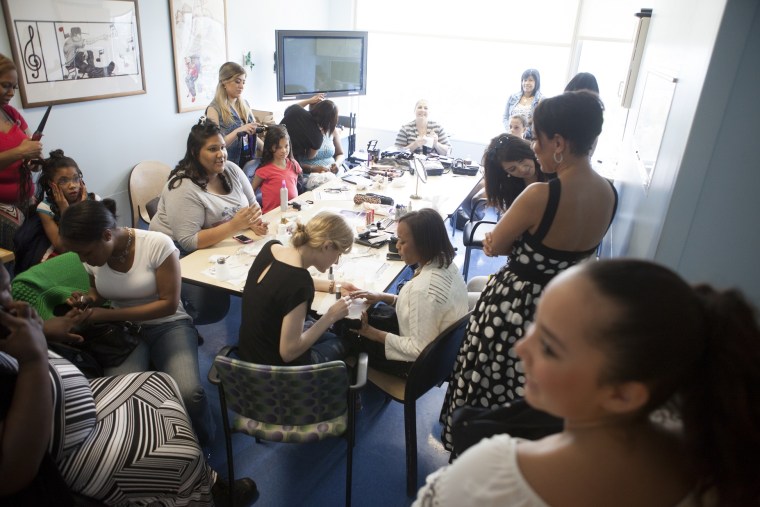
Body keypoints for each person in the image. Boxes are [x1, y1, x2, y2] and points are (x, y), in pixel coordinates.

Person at [416, 259, 760, 507]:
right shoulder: (717, 463)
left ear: (623, 394)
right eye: (535, 324)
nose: (522, 346)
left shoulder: (488, 477)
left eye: (549, 346)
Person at [440, 90, 619, 451]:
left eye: (536, 139)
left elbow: (498, 245)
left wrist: (497, 241)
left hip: (515, 309)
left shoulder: (540, 196)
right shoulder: (609, 193)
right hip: (565, 309)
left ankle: (477, 460)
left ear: (558, 142)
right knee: (532, 398)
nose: (533, 148)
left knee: (488, 388)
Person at [0, 263, 258, 506]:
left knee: (163, 385)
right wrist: (34, 360)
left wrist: (42, 331)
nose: (13, 306)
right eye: (2, 302)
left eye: (8, 292)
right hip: (67, 451)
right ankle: (199, 493)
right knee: (181, 455)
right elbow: (11, 473)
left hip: (82, 402)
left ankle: (206, 478)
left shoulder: (155, 247)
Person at [58, 200, 215, 446]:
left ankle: (205, 442)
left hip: (169, 324)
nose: (82, 258)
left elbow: (168, 304)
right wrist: (88, 299)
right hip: (126, 331)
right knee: (118, 400)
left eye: (85, 253)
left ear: (107, 235)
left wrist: (106, 315)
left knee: (190, 394)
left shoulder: (156, 244)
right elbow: (97, 291)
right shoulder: (90, 254)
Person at [349, 209, 468, 377]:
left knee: (347, 331)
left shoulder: (423, 289)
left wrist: (371, 333)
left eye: (402, 242)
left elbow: (417, 349)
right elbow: (420, 307)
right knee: (375, 312)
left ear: (423, 244)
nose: (397, 246)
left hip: (416, 366)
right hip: (434, 344)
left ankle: (354, 392)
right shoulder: (445, 263)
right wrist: (382, 296)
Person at [238, 211, 359, 365]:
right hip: (272, 368)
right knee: (346, 341)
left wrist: (334, 286)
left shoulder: (272, 248)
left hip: (249, 352)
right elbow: (288, 352)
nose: (336, 262)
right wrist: (330, 317)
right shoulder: (300, 284)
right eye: (339, 254)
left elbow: (284, 283)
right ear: (327, 246)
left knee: (324, 332)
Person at [150, 119, 268, 254]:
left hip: (219, 242)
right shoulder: (182, 187)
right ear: (195, 153)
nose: (221, 154)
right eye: (213, 149)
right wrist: (234, 225)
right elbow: (189, 242)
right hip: (176, 252)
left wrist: (253, 222)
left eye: (223, 147)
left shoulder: (231, 169)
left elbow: (253, 206)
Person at [0, 53, 42, 251]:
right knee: (15, 228)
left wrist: (33, 160)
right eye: (5, 85)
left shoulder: (11, 114)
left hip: (25, 197)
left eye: (14, 88)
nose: (11, 93)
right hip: (4, 205)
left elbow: (30, 148)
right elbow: (22, 149)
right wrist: (20, 152)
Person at [205, 61, 262, 167]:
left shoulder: (245, 104)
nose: (241, 86)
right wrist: (239, 131)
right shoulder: (214, 109)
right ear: (224, 82)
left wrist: (268, 150)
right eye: (237, 81)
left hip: (249, 161)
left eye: (243, 82)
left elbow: (251, 133)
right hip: (229, 165)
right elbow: (215, 145)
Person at [280, 95, 343, 188]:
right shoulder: (314, 136)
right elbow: (308, 157)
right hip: (310, 175)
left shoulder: (332, 131)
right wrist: (313, 169)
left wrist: (337, 164)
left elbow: (340, 153)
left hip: (333, 173)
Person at [252, 125, 303, 213]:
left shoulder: (294, 164)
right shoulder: (263, 170)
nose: (284, 150)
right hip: (271, 216)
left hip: (292, 213)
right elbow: (250, 192)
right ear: (270, 147)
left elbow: (298, 188)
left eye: (286, 146)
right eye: (279, 147)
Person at [503, 68, 543, 139]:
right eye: (525, 80)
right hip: (510, 137)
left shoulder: (541, 100)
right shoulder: (512, 97)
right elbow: (505, 117)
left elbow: (539, 123)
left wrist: (524, 134)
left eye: (530, 80)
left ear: (536, 82)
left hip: (528, 139)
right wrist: (510, 131)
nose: (527, 83)